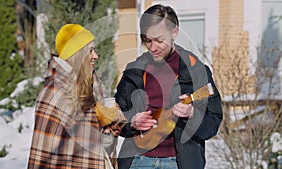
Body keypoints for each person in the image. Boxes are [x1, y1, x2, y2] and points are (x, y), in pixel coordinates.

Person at [115, 4, 223, 169]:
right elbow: (116, 117)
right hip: (137, 161)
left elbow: (213, 123)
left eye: (159, 40)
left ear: (174, 32)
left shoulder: (196, 70)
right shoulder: (134, 72)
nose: (153, 47)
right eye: (147, 41)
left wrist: (192, 114)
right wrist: (131, 123)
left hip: (179, 163)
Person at [28, 24, 122, 169]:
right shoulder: (54, 92)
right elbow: (44, 150)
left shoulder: (92, 84)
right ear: (78, 54)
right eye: (90, 51)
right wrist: (98, 118)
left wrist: (116, 120)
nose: (96, 56)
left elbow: (105, 130)